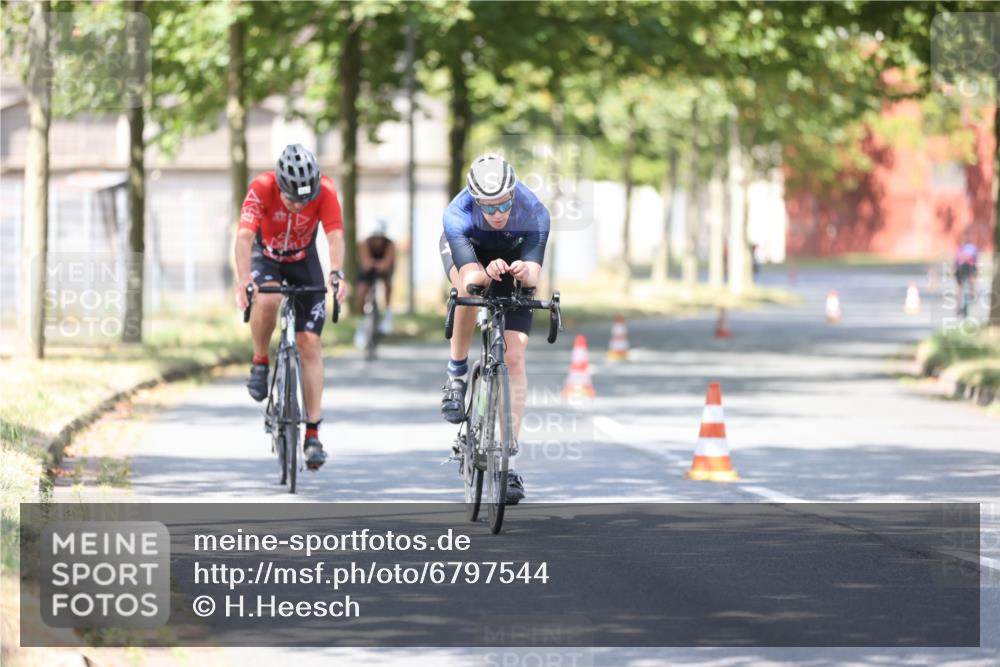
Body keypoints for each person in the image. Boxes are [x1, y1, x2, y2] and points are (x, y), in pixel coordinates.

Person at [439, 154, 551, 504]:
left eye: (505, 201)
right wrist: (486, 274)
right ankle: (456, 374)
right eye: (489, 206)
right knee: (466, 293)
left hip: (513, 263)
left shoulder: (534, 211)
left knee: (514, 357)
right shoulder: (457, 213)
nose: (499, 211)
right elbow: (472, 277)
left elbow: (534, 276)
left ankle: (508, 460)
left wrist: (520, 271)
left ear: (513, 193)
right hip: (472, 260)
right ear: (476, 200)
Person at [234, 144, 349, 470]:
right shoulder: (261, 187)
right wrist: (244, 279)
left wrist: (337, 272)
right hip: (266, 257)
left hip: (303, 260)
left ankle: (312, 434)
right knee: (268, 298)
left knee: (309, 344)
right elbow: (244, 238)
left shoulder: (325, 190)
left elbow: (335, 235)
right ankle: (260, 361)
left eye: (305, 199)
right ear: (280, 185)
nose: (299, 206)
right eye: (292, 200)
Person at [354, 218, 397, 343]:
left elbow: (387, 263)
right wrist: (376, 264)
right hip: (368, 271)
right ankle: (361, 322)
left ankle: (388, 313)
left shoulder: (390, 244)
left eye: (380, 237)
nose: (377, 241)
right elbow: (366, 262)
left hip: (384, 270)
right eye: (375, 237)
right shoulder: (365, 243)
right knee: (361, 291)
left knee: (388, 284)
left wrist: (380, 265)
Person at [954, 234, 978, 315]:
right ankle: (972, 293)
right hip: (970, 268)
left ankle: (958, 307)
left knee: (959, 287)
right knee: (972, 282)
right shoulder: (973, 248)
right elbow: (975, 260)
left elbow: (956, 260)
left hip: (961, 268)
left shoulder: (960, 248)